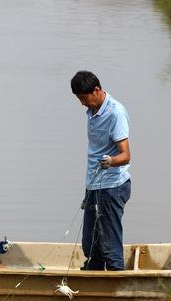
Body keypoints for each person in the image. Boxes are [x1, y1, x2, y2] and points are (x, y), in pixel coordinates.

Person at [71, 70, 132, 271]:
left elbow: (126, 155)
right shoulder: (92, 112)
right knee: (90, 241)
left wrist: (111, 161)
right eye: (79, 99)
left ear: (96, 90)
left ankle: (116, 278)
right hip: (94, 184)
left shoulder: (115, 113)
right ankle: (94, 272)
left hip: (113, 186)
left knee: (109, 240)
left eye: (84, 98)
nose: (82, 103)